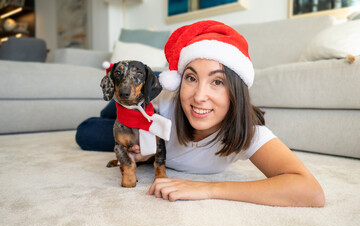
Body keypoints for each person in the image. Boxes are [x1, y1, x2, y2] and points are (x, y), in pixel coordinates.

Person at [76, 20, 325, 207]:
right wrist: (143, 151)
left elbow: (310, 191)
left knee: (88, 133)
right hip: (141, 107)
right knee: (88, 132)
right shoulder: (166, 98)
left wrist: (208, 189)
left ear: (236, 91)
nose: (199, 96)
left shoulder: (249, 133)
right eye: (191, 78)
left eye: (217, 82)